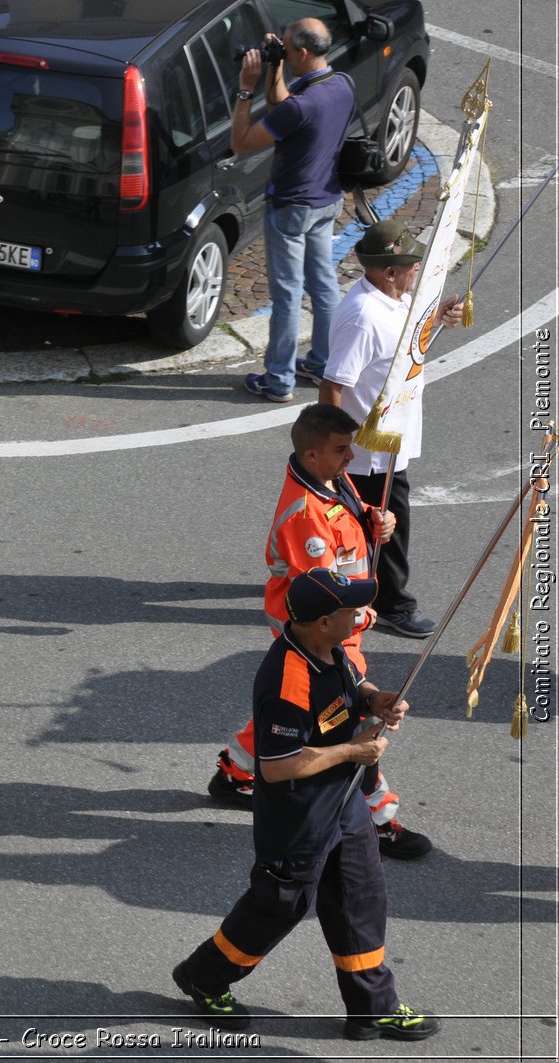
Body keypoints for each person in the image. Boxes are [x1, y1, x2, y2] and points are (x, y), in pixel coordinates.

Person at [174, 569, 440, 1043]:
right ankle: (205, 976)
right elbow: (276, 767)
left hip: (344, 803)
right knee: (277, 908)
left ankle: (371, 1007)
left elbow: (352, 683)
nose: (361, 615)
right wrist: (354, 751)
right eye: (350, 610)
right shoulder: (287, 681)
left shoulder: (329, 647)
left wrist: (377, 700)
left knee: (361, 898)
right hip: (299, 819)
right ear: (321, 621)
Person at [209, 404, 431, 860]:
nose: (351, 458)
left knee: (297, 711)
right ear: (312, 455)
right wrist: (365, 617)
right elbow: (323, 598)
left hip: (340, 625)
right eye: (341, 450)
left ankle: (236, 770)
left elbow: (350, 515)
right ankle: (379, 818)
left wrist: (375, 519)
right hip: (327, 631)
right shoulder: (305, 517)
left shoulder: (329, 478)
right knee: (352, 721)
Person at [319, 219, 465, 639]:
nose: (417, 267)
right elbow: (333, 385)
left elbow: (403, 340)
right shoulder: (363, 316)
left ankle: (320, 575)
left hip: (390, 438)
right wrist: (337, 452)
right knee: (388, 526)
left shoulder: (393, 297)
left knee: (354, 522)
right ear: (387, 271)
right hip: (369, 451)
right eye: (410, 263)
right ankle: (392, 605)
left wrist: (439, 318)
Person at [232, 19, 352, 403]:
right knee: (323, 283)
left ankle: (278, 379)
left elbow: (242, 141)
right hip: (328, 201)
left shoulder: (301, 106)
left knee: (286, 294)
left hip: (291, 209)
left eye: (285, 49)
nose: (281, 52)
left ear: (301, 52)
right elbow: (284, 106)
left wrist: (245, 88)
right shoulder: (342, 85)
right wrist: (275, 67)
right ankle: (322, 364)